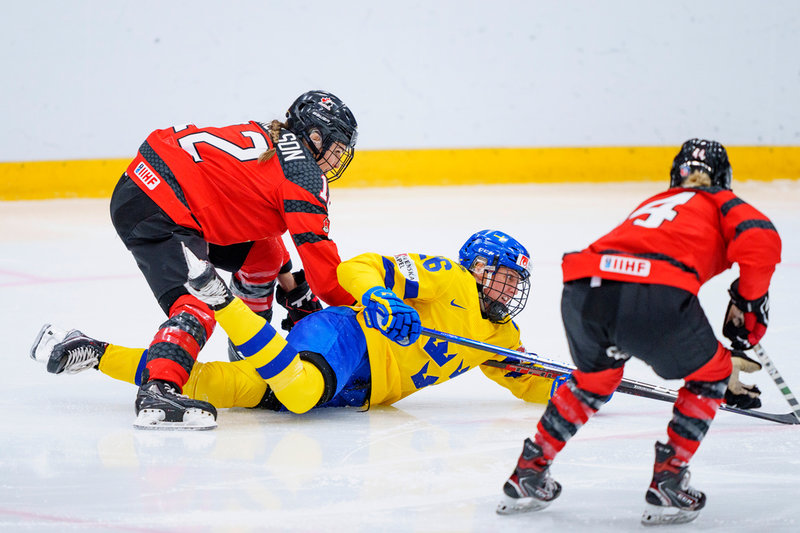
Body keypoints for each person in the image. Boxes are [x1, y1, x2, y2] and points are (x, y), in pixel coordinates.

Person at [496, 139, 782, 526]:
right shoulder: (719, 201)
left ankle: (528, 470)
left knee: (593, 382)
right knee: (711, 374)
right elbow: (761, 236)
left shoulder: (655, 203)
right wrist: (750, 309)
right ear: (723, 178)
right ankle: (669, 479)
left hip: (581, 291)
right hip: (652, 294)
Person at [31, 230, 556, 425]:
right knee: (300, 395)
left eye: (516, 282)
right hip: (347, 339)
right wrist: (378, 297)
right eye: (504, 277)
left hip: (357, 391)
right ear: (479, 269)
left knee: (214, 387)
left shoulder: (499, 339)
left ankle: (91, 350)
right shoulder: (449, 278)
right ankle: (222, 300)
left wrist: (578, 384)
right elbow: (359, 268)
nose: (511, 290)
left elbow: (530, 381)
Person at [62, 90, 358, 429]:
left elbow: (250, 204)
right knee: (199, 304)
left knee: (266, 254)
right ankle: (160, 389)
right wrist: (359, 307)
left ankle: (247, 342)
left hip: (158, 190)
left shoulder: (273, 137)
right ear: (315, 136)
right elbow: (326, 275)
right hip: (161, 207)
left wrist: (288, 280)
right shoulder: (304, 175)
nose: (337, 160)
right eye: (336, 148)